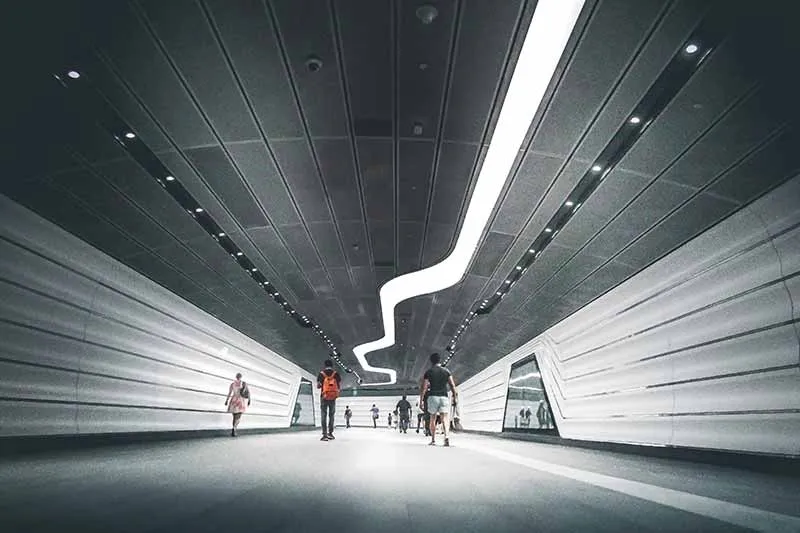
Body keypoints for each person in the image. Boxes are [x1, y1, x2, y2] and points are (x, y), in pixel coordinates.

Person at [419, 353, 457, 447]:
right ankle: (446, 437)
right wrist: (455, 397)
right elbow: (452, 385)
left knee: (433, 417)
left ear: (431, 361)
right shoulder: (446, 371)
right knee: (445, 418)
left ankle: (433, 439)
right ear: (440, 360)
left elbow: (424, 387)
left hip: (433, 396)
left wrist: (421, 400)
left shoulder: (429, 372)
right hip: (444, 397)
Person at [317, 359, 341, 441]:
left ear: (325, 365)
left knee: (323, 415)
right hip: (333, 398)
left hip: (324, 396)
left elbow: (318, 386)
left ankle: (324, 435)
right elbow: (338, 385)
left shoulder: (321, 374)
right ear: (332, 365)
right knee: (331, 415)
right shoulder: (336, 374)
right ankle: (330, 434)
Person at [224, 372, 250, 437]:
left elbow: (229, 393)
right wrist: (249, 400)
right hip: (240, 400)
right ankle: (235, 428)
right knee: (239, 416)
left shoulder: (232, 384)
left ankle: (233, 428)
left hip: (233, 400)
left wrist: (226, 400)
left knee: (234, 416)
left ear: (236, 377)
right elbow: (248, 392)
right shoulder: (243, 383)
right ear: (241, 377)